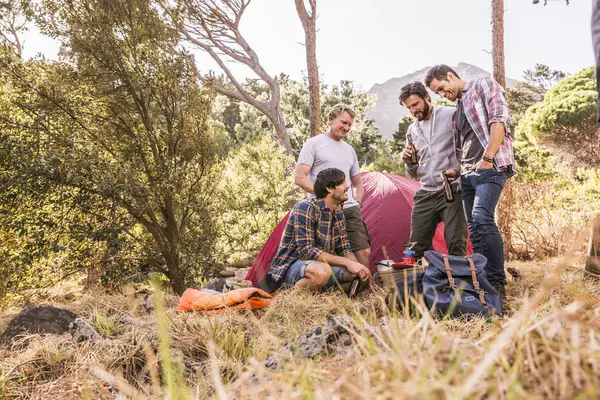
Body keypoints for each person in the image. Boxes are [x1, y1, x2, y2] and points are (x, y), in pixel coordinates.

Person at [425, 65, 515, 303]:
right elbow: (466, 145)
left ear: (451, 76)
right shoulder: (458, 110)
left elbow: (499, 120)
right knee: (474, 229)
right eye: (438, 93)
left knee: (483, 218)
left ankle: (498, 282)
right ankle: (483, 281)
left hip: (491, 167)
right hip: (467, 173)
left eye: (442, 88)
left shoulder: (483, 84)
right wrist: (457, 171)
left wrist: (488, 158)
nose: (443, 94)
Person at [266, 168, 372, 292]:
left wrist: (359, 267)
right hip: (290, 270)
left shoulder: (338, 214)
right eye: (342, 182)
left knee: (361, 276)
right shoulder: (305, 208)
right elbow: (307, 252)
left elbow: (345, 250)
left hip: (320, 269)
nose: (347, 186)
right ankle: (290, 300)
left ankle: (320, 296)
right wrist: (347, 263)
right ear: (329, 188)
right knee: (322, 272)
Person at [294, 103, 372, 268]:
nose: (347, 127)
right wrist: (324, 195)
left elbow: (358, 183)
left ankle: (361, 290)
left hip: (349, 209)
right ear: (331, 119)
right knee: (321, 253)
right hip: (322, 209)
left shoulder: (349, 150)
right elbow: (300, 177)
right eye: (343, 122)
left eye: (350, 124)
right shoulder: (314, 144)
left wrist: (357, 202)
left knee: (363, 252)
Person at [399, 82, 467, 259]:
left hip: (451, 190)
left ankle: (459, 284)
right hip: (425, 192)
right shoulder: (412, 130)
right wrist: (408, 162)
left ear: (427, 98)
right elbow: (413, 172)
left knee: (455, 242)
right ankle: (417, 283)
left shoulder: (451, 114)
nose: (414, 110)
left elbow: (469, 147)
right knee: (414, 246)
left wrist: (458, 171)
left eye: (416, 104)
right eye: (409, 108)